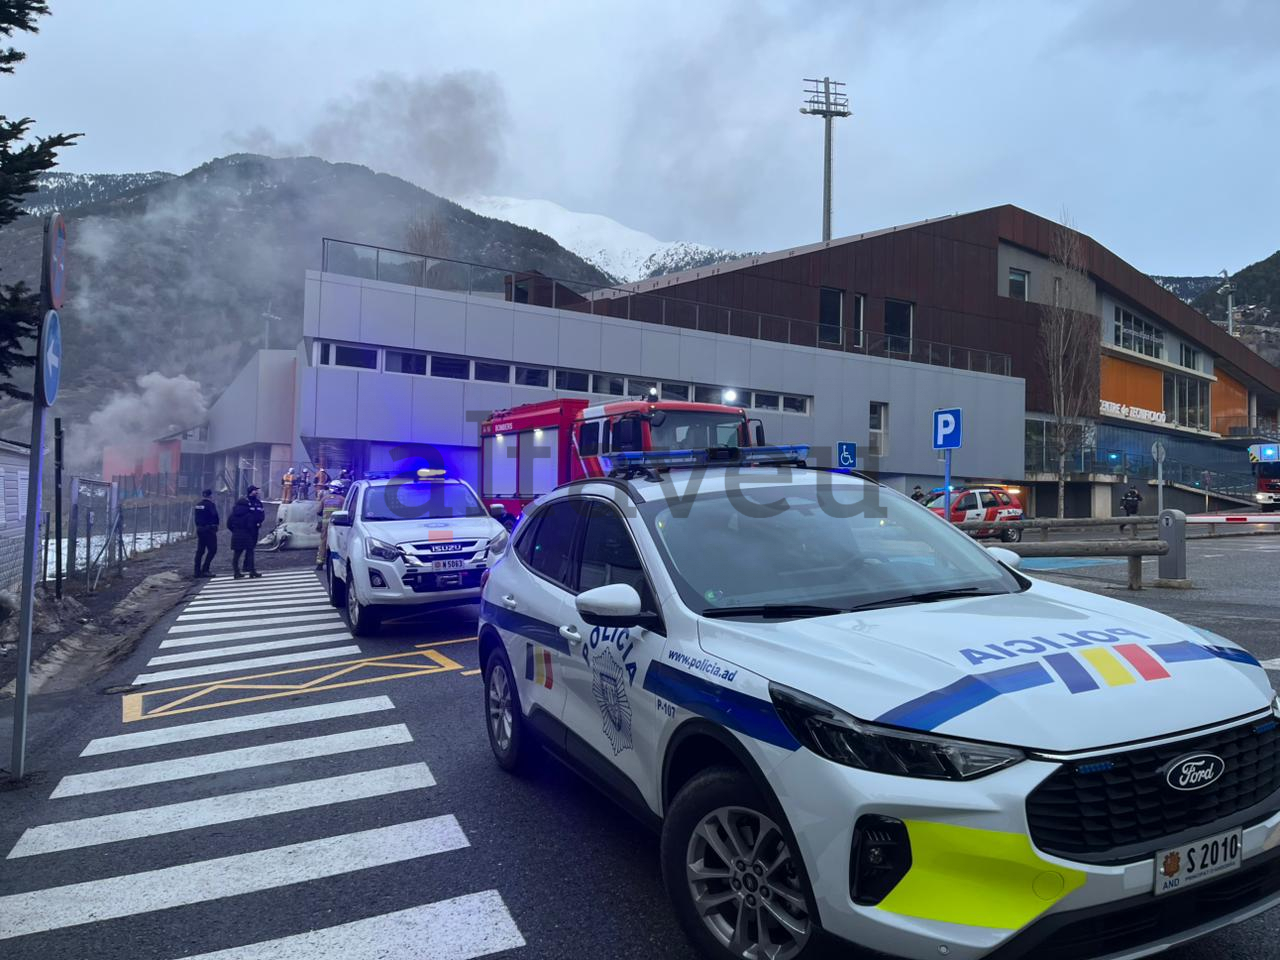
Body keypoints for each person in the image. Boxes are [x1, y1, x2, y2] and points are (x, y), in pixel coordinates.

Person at [228, 485, 265, 579]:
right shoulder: (248, 514)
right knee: (250, 552)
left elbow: (228, 524)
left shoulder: (233, 514)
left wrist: (235, 531)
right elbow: (250, 525)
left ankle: (236, 572)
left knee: (237, 554)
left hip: (236, 535)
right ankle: (252, 571)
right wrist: (251, 530)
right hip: (247, 535)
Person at [316, 479, 347, 568]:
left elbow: (318, 512)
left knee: (323, 542)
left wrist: (320, 523)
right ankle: (334, 563)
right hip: (337, 526)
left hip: (325, 525)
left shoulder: (324, 499)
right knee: (337, 543)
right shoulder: (342, 499)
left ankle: (320, 562)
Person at [193, 489, 220, 578]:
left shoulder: (198, 505)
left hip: (200, 529)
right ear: (210, 496)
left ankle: (196, 571)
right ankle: (205, 569)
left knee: (200, 551)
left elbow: (196, 517)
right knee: (212, 550)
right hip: (209, 529)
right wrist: (215, 525)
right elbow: (214, 516)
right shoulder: (210, 505)